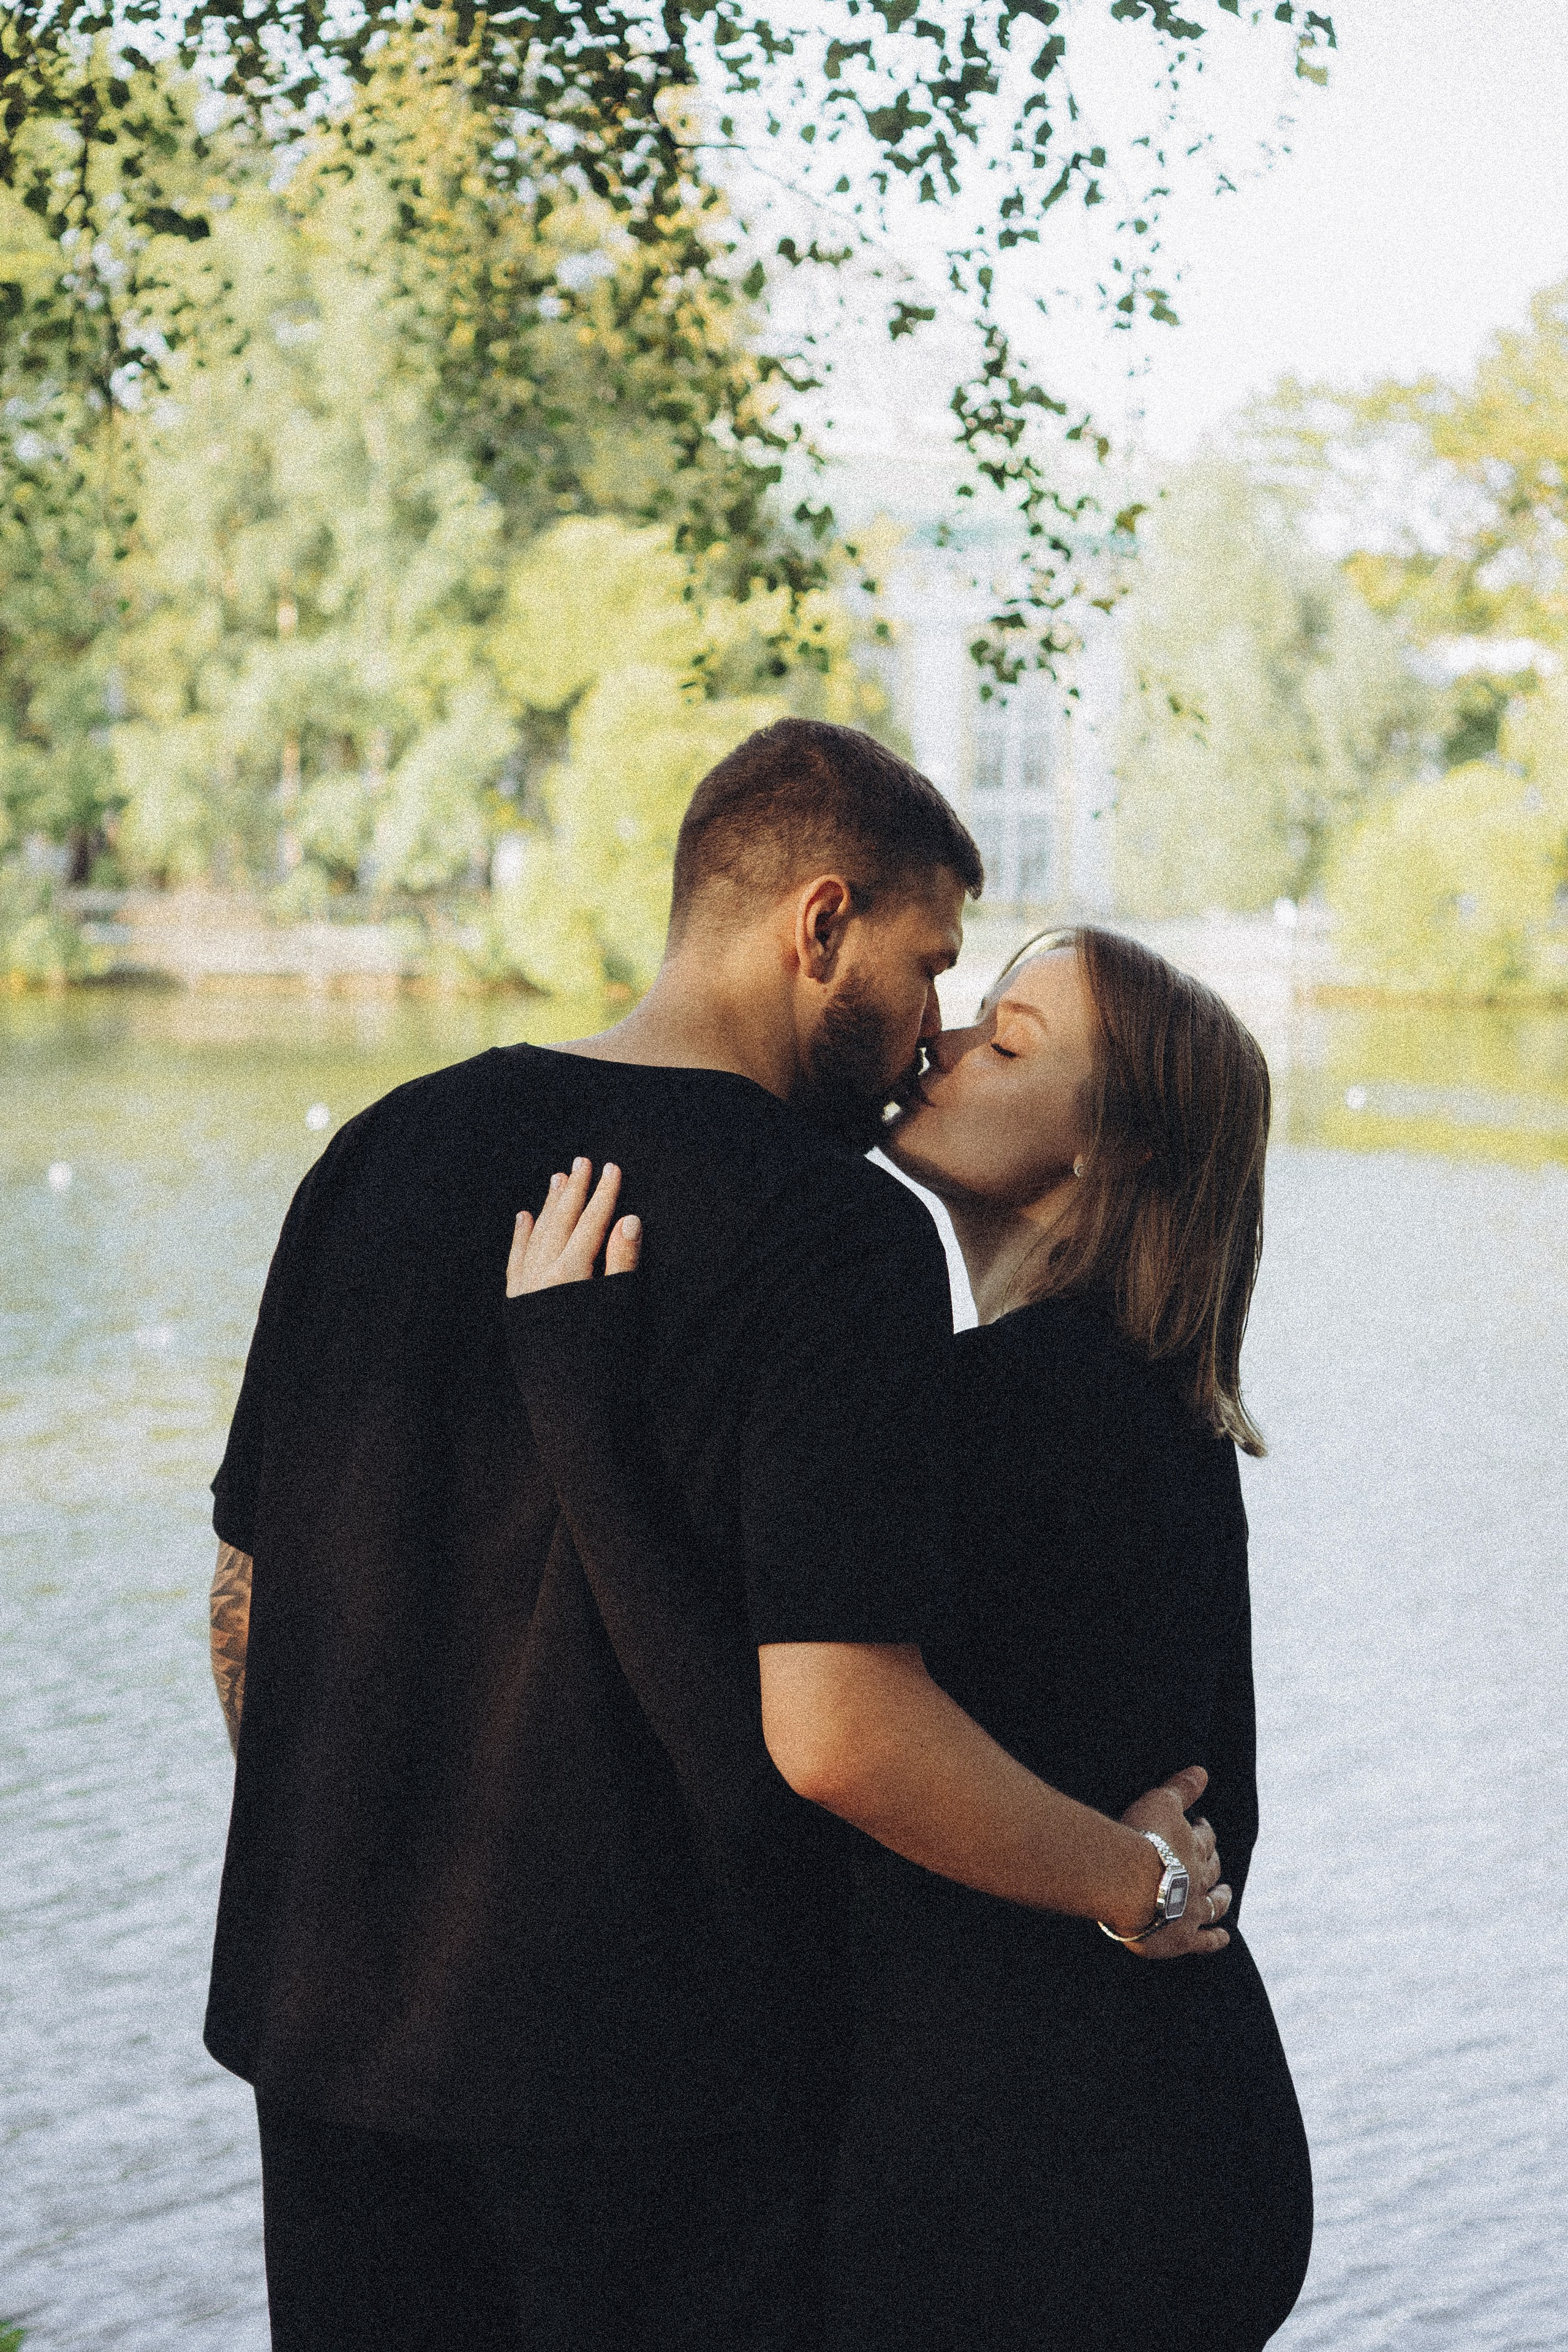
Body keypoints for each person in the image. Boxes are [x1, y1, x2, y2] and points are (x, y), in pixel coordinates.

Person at [206, 720, 1227, 2352]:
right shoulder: (838, 1238)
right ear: (820, 927)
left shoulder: (379, 1150)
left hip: (327, 2039)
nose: (931, 1029)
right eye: (926, 965)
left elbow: (247, 1606)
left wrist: (357, 1878)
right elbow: (839, 1725)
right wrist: (1137, 1879)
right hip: (652, 2090)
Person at [502, 925, 1311, 2352]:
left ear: (1112, 1148)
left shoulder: (1001, 1404)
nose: (941, 1042)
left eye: (1007, 1041)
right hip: (1174, 2127)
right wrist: (1145, 1876)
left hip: (1042, 2179)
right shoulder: (1151, 1408)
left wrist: (569, 1386)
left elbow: (746, 1718)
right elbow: (1204, 1807)